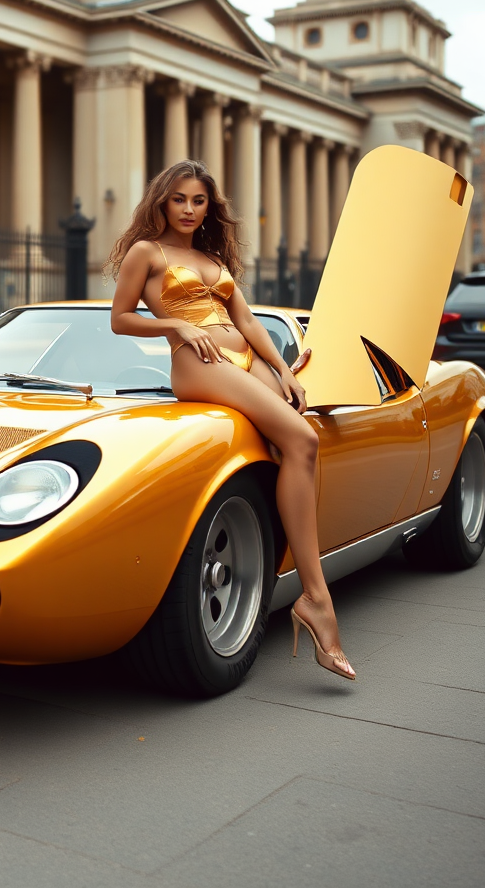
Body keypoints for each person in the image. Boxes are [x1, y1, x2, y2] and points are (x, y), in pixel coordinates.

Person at [108, 159, 355, 680]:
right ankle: (317, 598)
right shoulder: (146, 252)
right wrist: (172, 323)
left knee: (298, 446)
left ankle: (303, 587)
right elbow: (120, 318)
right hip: (198, 364)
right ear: (161, 201)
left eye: (199, 201)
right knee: (299, 438)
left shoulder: (211, 255)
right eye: (179, 199)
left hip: (247, 359)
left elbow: (244, 320)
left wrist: (284, 370)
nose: (189, 210)